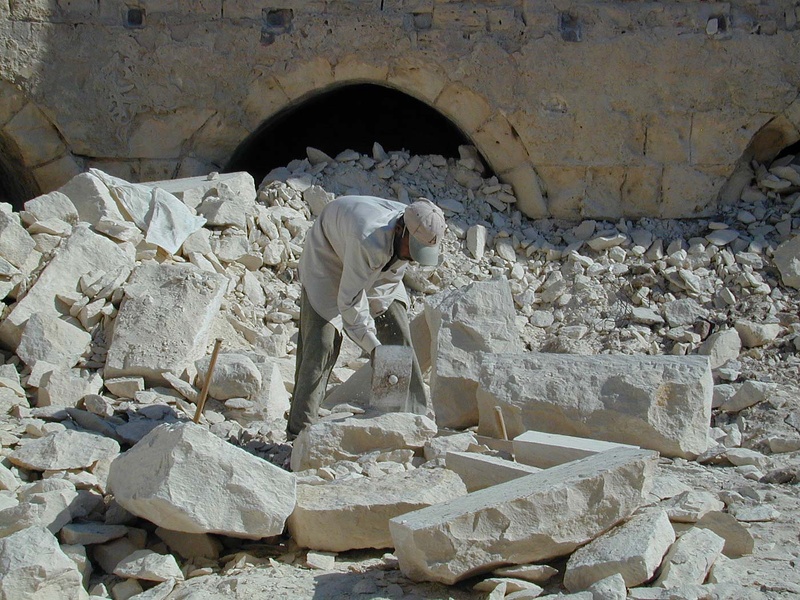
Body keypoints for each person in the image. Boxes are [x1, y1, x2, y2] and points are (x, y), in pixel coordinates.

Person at [286, 195, 446, 438]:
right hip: (328, 256)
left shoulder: (419, 227)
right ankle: (299, 434)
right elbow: (349, 303)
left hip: (376, 261)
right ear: (401, 229)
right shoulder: (368, 238)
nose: (414, 257)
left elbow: (386, 284)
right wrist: (373, 348)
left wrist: (382, 346)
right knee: (323, 343)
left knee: (396, 329)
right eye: (413, 250)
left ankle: (396, 416)